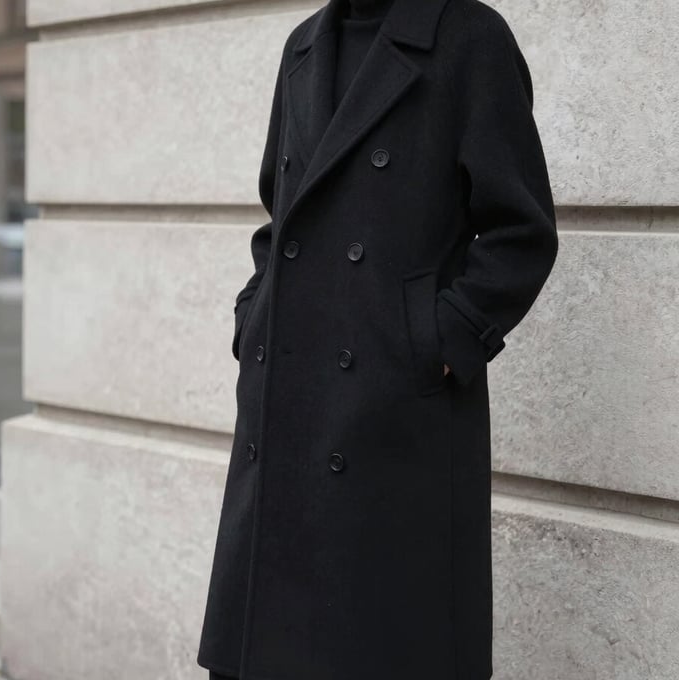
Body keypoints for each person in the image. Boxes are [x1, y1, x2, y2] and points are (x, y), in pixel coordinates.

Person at [198, 0, 558, 677]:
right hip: (284, 413)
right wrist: (255, 317)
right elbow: (281, 222)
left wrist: (437, 339)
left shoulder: (467, 38)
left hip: (396, 422)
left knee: (383, 650)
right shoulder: (303, 46)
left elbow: (522, 233)